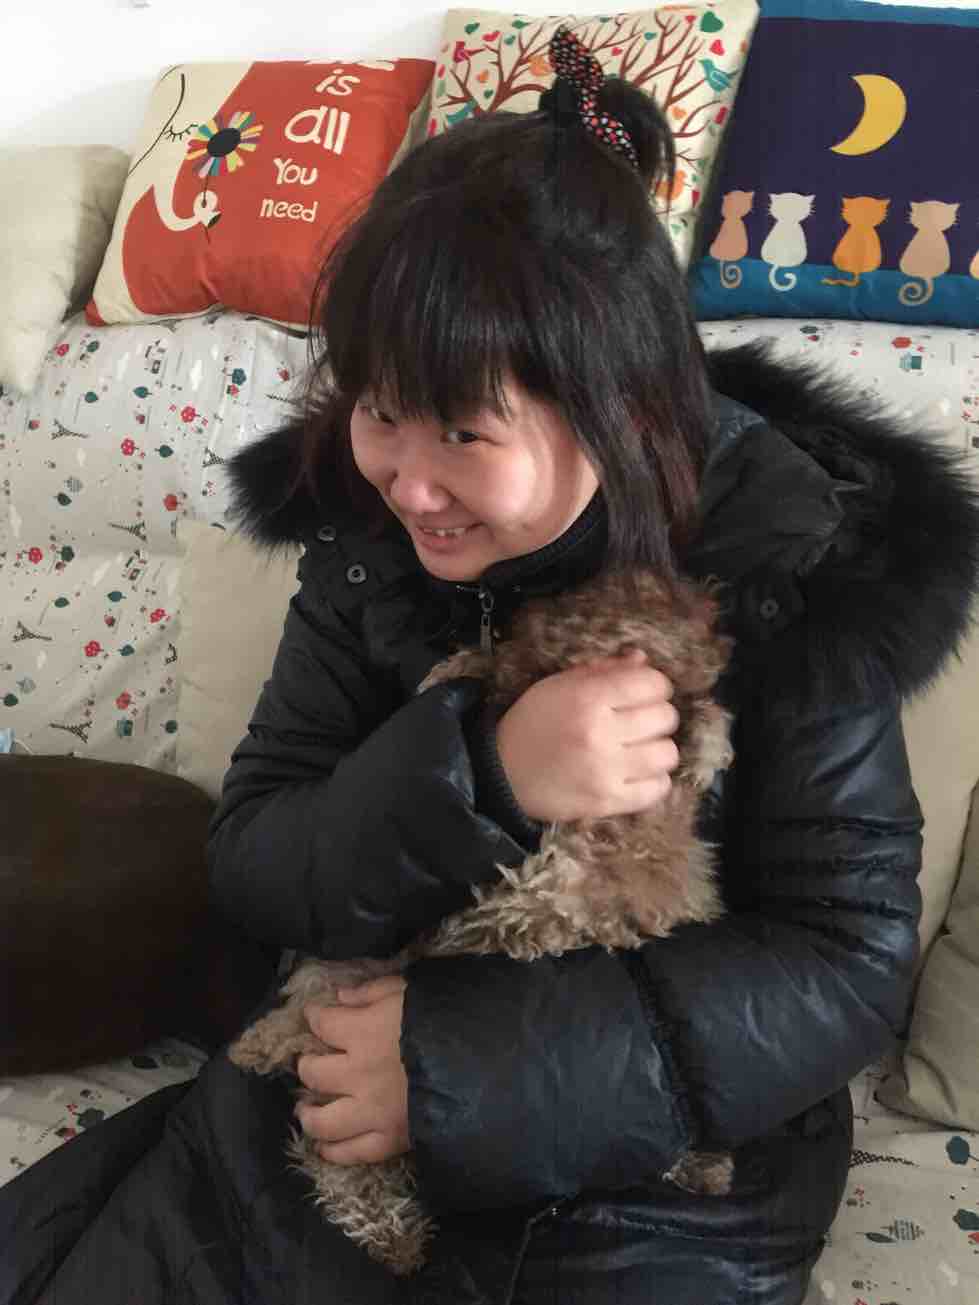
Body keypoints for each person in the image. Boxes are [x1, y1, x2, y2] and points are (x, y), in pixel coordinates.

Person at [3, 26, 978, 1305]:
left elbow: (840, 960)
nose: (407, 482)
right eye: (379, 412)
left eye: (463, 433)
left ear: (622, 410)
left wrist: (456, 1070)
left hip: (658, 1165)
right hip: (332, 1080)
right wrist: (480, 770)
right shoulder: (368, 550)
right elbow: (257, 859)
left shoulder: (789, 561)